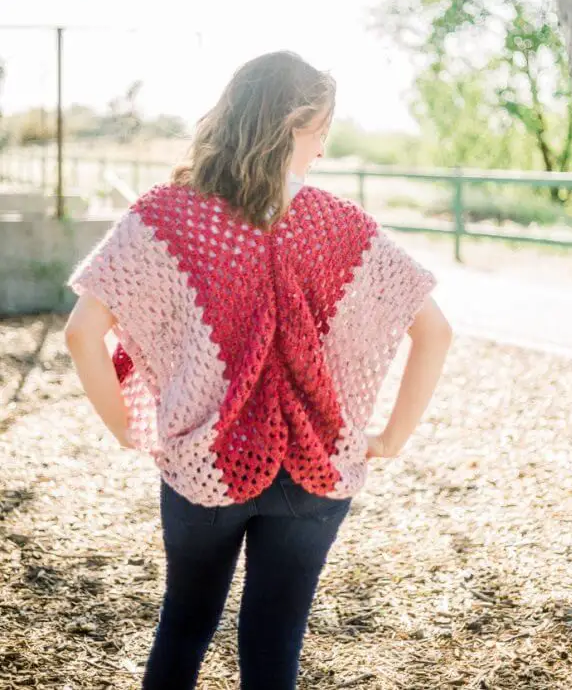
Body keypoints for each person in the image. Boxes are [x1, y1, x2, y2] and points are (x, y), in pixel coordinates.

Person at [64, 50, 452, 690]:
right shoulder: (341, 226)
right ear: (288, 124)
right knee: (275, 643)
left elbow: (82, 333)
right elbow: (434, 330)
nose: (322, 150)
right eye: (319, 130)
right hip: (317, 469)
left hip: (202, 462)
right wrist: (391, 438)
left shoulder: (166, 216)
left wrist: (126, 429)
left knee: (184, 626)